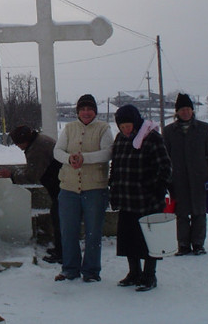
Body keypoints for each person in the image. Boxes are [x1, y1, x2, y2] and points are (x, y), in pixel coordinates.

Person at [109, 104, 172, 292]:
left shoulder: (152, 137)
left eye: (128, 125)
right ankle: (134, 272)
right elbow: (117, 164)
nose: (125, 129)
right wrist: (113, 184)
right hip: (127, 198)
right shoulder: (120, 138)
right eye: (122, 126)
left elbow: (165, 167)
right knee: (129, 238)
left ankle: (149, 275)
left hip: (147, 199)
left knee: (148, 240)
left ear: (136, 122)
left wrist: (158, 187)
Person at [53, 94, 114, 282]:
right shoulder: (70, 128)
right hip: (69, 188)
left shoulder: (104, 128)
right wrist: (69, 158)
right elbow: (57, 151)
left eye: (89, 109)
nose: (86, 112)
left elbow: (108, 153)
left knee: (93, 231)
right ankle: (70, 268)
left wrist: (84, 158)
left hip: (94, 188)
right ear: (78, 111)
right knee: (68, 230)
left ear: (95, 111)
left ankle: (91, 271)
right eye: (82, 109)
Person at [163, 93, 208, 256]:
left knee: (199, 213)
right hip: (178, 179)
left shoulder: (204, 129)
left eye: (188, 109)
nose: (185, 112)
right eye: (182, 109)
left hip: (200, 178)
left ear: (192, 111)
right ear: (177, 112)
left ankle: (198, 244)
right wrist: (166, 180)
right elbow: (165, 157)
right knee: (181, 213)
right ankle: (183, 245)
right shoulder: (168, 131)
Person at [0, 125, 62, 264]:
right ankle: (60, 249)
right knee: (58, 216)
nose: (19, 148)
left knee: (59, 217)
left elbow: (32, 175)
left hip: (61, 187)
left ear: (24, 141)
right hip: (60, 185)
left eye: (19, 144)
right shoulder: (39, 140)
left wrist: (11, 174)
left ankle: (62, 253)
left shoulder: (37, 148)